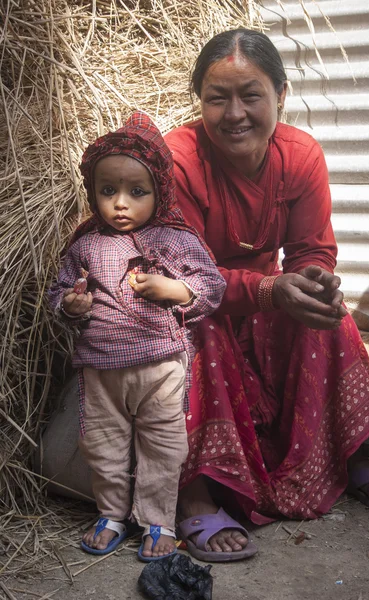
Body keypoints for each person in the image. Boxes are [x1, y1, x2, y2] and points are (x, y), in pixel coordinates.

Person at [163, 29, 369, 562]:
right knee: (191, 332)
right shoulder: (179, 159)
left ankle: (351, 456)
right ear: (198, 100)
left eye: (251, 96)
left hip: (263, 299)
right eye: (216, 98)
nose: (234, 114)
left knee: (329, 316)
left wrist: (314, 281)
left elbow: (314, 250)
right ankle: (195, 492)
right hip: (199, 298)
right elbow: (186, 273)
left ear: (281, 96)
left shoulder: (299, 155)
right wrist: (271, 289)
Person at [48, 112, 226, 561]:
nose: (121, 203)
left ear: (160, 191)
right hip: (101, 368)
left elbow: (213, 286)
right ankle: (110, 514)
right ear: (93, 192)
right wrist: (70, 304)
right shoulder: (85, 244)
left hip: (161, 365)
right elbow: (58, 289)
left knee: (163, 447)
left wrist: (177, 290)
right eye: (108, 191)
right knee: (102, 444)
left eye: (137, 191)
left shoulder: (174, 240)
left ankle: (156, 520)